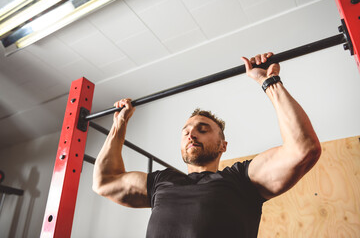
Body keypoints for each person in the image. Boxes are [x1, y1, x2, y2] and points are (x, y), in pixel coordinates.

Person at [92, 52, 322, 238]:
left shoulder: (241, 180)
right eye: (186, 132)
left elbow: (303, 148)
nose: (191, 134)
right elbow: (104, 182)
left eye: (202, 129)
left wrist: (268, 81)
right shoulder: (161, 182)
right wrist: (119, 124)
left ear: (223, 145)